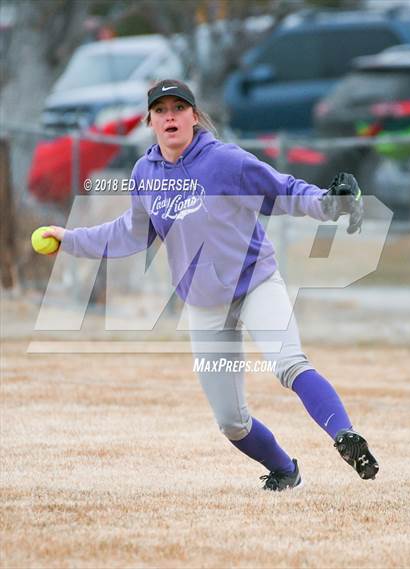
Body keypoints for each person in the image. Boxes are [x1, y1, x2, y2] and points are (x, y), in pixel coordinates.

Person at [44, 79, 379, 492]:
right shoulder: (145, 174)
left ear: (194, 115)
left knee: (289, 364)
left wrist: (328, 204)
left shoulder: (224, 161)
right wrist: (70, 239)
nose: (170, 116)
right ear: (150, 120)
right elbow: (129, 234)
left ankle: (345, 435)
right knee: (231, 422)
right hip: (204, 304)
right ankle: (285, 471)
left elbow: (283, 190)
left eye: (179, 107)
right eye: (161, 109)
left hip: (255, 282)